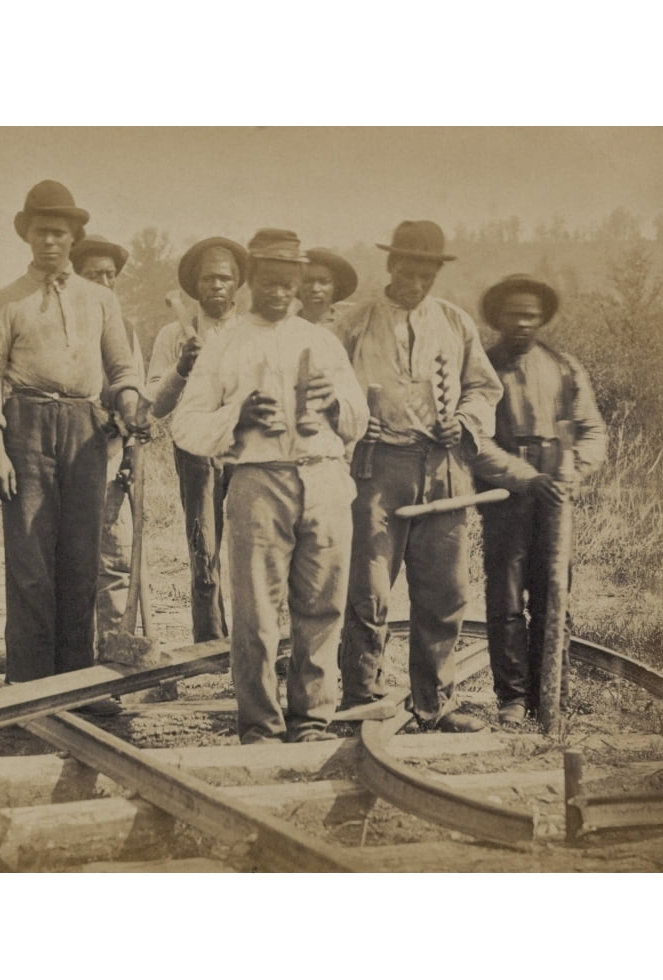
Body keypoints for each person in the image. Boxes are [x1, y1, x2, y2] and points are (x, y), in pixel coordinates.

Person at [172, 229, 368, 744]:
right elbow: (185, 424)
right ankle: (259, 726)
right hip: (258, 481)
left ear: (299, 283)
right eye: (269, 281)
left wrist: (334, 406)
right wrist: (236, 416)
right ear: (251, 279)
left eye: (288, 283)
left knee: (322, 607)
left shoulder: (321, 341)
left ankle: (311, 721)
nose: (279, 292)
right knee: (257, 615)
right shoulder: (227, 344)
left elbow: (358, 420)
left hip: (325, 479)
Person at [0, 181, 148, 705]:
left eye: (59, 233)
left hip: (84, 428)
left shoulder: (99, 299)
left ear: (74, 237)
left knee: (80, 560)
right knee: (30, 560)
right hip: (25, 425)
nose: (50, 242)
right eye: (40, 232)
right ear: (27, 235)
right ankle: (27, 686)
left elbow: (120, 367)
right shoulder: (6, 301)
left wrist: (132, 401)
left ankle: (74, 683)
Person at [335, 220, 503, 732]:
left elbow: (483, 387)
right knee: (368, 588)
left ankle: (434, 705)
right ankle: (362, 696)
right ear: (391, 265)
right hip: (377, 466)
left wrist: (466, 422)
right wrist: (357, 419)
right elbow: (328, 390)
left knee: (444, 589)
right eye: (408, 268)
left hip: (445, 468)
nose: (416, 279)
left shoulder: (455, 323)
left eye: (426, 271)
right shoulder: (355, 321)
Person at [477, 274, 607, 725]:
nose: (522, 323)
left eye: (530, 315)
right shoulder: (483, 367)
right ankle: (512, 698)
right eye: (513, 314)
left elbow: (591, 430)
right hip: (506, 496)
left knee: (554, 592)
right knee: (507, 597)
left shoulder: (566, 367)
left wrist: (575, 472)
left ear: (541, 320)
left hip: (557, 498)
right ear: (498, 318)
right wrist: (525, 478)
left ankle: (551, 691)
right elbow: (476, 441)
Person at [146, 236, 247, 643]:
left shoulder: (255, 332)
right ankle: (208, 644)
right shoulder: (174, 335)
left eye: (225, 278)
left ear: (238, 283)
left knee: (253, 551)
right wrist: (182, 368)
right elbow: (154, 403)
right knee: (204, 549)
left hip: (247, 451)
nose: (217, 286)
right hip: (194, 451)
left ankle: (253, 642)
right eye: (209, 279)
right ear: (195, 285)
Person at [69, 233, 145, 640]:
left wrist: (131, 451)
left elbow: (137, 394)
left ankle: (113, 653)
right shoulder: (61, 327)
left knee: (115, 557)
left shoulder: (125, 330)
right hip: (65, 456)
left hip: (112, 454)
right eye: (93, 274)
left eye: (110, 275)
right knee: (74, 560)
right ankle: (75, 658)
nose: (103, 282)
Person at [299, 247, 358, 327]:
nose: (315, 288)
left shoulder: (348, 327)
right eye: (308, 281)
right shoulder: (284, 326)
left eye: (324, 282)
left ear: (335, 287)